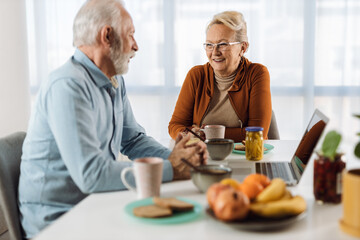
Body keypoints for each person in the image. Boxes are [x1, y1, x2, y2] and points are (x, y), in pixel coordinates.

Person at [18, 0, 207, 238]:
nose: (136, 46)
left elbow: (134, 141)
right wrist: (171, 168)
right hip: (58, 221)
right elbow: (92, 175)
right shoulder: (67, 86)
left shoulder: (114, 80)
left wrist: (180, 158)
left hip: (93, 204)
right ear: (107, 36)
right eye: (130, 35)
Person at [168, 11, 272, 142]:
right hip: (203, 156)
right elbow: (175, 125)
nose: (215, 52)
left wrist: (207, 134)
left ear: (243, 48)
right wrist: (187, 134)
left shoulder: (257, 73)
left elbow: (257, 133)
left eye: (223, 44)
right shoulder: (196, 75)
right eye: (209, 45)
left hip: (245, 157)